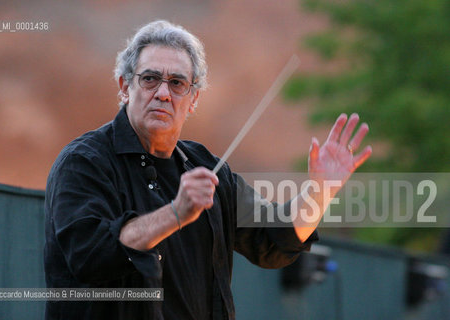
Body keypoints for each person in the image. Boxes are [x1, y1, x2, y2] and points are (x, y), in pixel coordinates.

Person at [44, 20, 372, 320]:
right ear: (124, 86)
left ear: (194, 97)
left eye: (177, 83)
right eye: (149, 79)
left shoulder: (206, 167)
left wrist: (322, 190)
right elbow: (89, 254)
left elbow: (275, 240)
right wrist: (176, 212)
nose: (162, 93)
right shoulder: (85, 161)